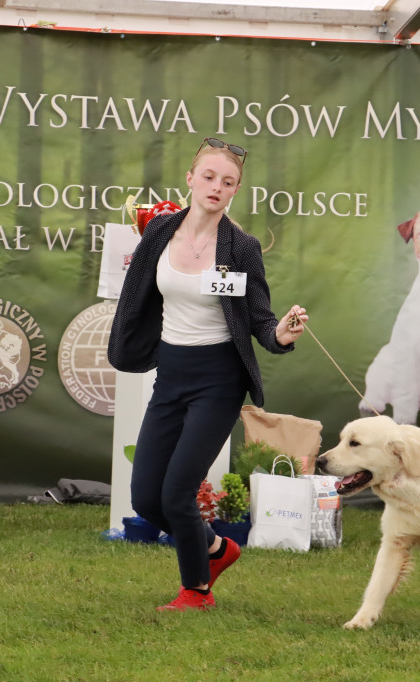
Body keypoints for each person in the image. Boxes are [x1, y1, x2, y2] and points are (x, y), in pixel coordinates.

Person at [108, 137, 308, 612]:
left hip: (218, 380)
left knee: (177, 493)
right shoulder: (158, 231)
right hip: (170, 374)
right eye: (210, 177)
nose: (217, 187)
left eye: (229, 182)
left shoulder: (241, 248)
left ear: (235, 190)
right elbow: (139, 293)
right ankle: (218, 549)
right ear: (191, 180)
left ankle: (196, 591)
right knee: (147, 500)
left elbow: (259, 316)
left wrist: (280, 333)